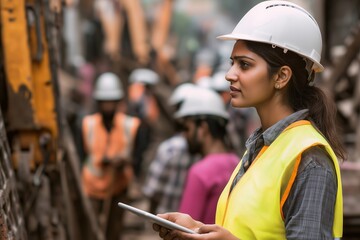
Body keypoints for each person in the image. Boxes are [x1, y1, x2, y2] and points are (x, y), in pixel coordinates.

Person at [153, 1, 345, 239]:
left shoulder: (309, 160)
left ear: (282, 76)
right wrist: (196, 228)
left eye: (245, 65)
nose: (229, 74)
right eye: (232, 63)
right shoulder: (261, 147)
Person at [80, 72, 141, 240]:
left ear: (118, 102)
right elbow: (83, 154)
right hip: (92, 188)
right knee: (91, 231)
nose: (108, 106)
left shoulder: (130, 125)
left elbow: (136, 157)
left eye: (111, 102)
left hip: (118, 187)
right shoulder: (88, 124)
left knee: (114, 231)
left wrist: (124, 162)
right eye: (104, 102)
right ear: (98, 102)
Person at [175, 87, 239, 224]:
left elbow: (184, 231)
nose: (184, 135)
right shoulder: (238, 162)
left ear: (202, 128)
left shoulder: (200, 172)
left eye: (187, 128)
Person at [142, 83, 200, 214]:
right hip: (193, 220)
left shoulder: (169, 148)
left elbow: (153, 190)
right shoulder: (205, 149)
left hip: (168, 219)